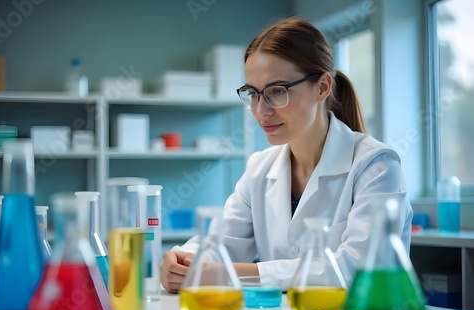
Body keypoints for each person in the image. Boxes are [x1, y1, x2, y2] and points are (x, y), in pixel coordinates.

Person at [159, 17, 413, 293]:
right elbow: (222, 245)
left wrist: (230, 274)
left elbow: (357, 271)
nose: (261, 110)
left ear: (322, 87)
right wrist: (183, 262)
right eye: (253, 94)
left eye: (277, 91)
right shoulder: (260, 168)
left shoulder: (376, 166)